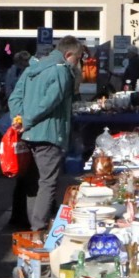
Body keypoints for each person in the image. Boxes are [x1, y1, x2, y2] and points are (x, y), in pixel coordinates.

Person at [8, 35, 83, 231]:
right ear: (68, 54)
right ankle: (39, 228)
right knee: (47, 183)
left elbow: (14, 97)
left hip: (28, 135)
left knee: (33, 183)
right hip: (50, 134)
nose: (78, 62)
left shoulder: (31, 69)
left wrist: (19, 119)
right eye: (78, 58)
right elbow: (50, 102)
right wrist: (27, 119)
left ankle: (34, 228)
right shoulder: (62, 72)